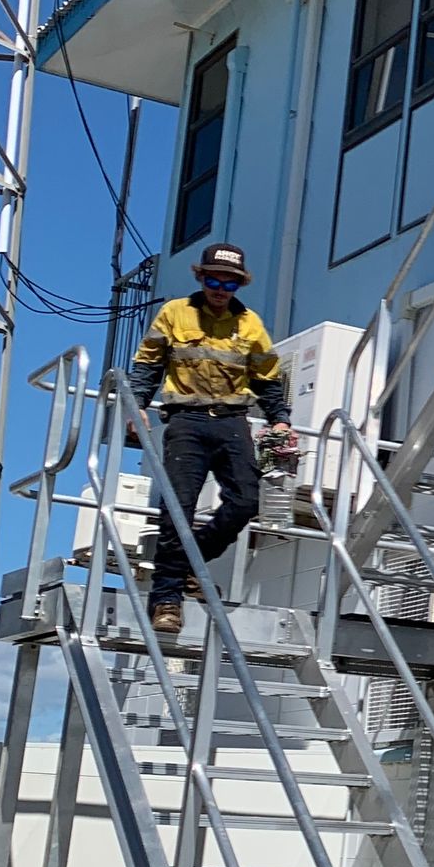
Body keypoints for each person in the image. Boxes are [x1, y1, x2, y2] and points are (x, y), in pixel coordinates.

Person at [130, 242, 298, 638]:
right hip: (186, 420)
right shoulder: (174, 313)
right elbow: (148, 363)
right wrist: (135, 405)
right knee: (178, 506)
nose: (220, 288)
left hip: (232, 420)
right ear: (200, 277)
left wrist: (280, 421)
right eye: (212, 279)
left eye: (230, 282)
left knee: (246, 500)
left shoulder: (250, 324)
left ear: (239, 284)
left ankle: (192, 564)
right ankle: (167, 599)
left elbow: (267, 379)